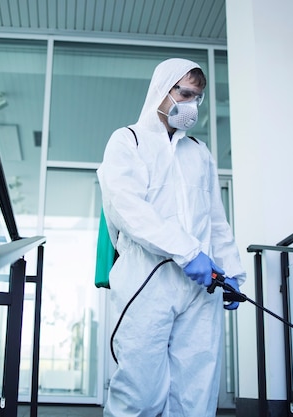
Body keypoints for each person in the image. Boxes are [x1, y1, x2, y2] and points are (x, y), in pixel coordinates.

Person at [97, 58, 246, 416]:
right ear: (162, 90)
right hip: (147, 279)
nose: (192, 106)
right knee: (140, 388)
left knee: (196, 389)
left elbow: (215, 219)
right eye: (185, 94)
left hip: (200, 286)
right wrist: (186, 252)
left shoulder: (199, 152)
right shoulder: (127, 140)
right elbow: (128, 209)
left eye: (198, 98)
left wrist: (232, 272)